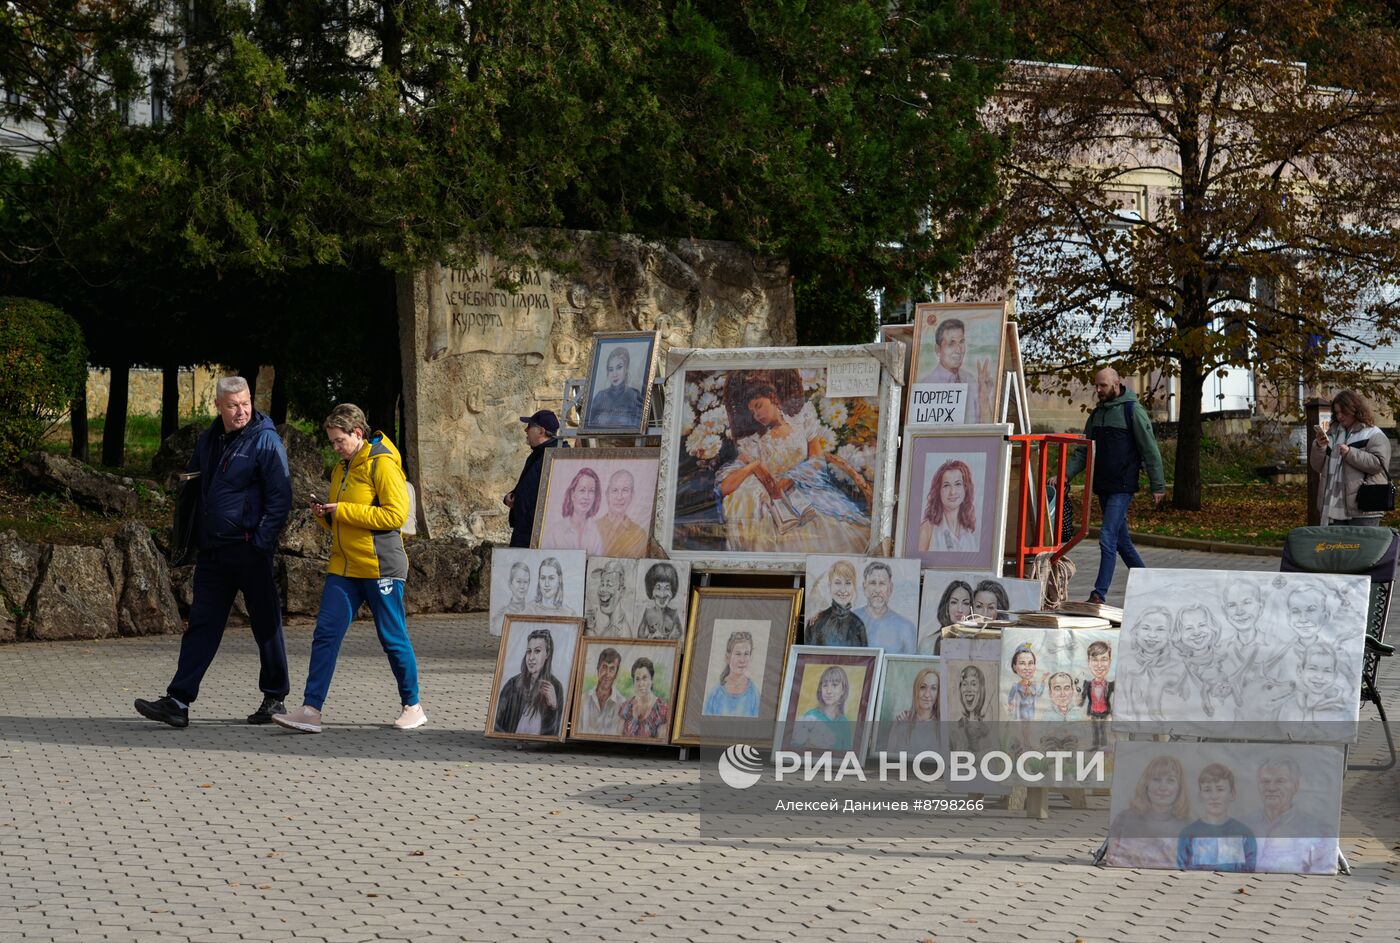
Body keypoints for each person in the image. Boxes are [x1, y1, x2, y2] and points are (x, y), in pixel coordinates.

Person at [135, 376, 292, 729]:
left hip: (250, 548)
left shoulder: (265, 440)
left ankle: (275, 697)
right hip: (214, 551)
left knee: (266, 624)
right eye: (233, 405)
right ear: (219, 406)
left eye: (246, 403)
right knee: (202, 625)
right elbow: (196, 488)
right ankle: (178, 700)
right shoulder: (210, 439)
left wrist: (261, 543)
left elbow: (280, 498)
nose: (241, 411)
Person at [272, 404, 425, 734]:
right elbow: (341, 523)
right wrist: (323, 515)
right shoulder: (342, 468)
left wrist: (342, 510)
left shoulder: (382, 464)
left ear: (358, 434)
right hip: (344, 566)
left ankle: (412, 705)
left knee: (392, 637)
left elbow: (394, 517)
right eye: (331, 442)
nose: (335, 448)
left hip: (381, 565)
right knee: (325, 635)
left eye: (339, 441)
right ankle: (311, 710)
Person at [717, 375, 872, 553]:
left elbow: (817, 460)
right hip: (776, 495)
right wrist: (755, 468)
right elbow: (726, 486)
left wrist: (791, 479)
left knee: (830, 526)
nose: (757, 415)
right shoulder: (755, 441)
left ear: (772, 398)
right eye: (752, 412)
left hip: (806, 486)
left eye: (759, 405)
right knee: (774, 526)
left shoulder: (802, 420)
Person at [1063, 367, 1166, 604]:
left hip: (1123, 485)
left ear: (1117, 384)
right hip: (1103, 485)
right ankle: (1153, 585)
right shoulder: (1097, 415)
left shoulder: (1132, 411)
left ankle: (1099, 594)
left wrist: (1157, 485)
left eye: (1103, 386)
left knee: (1107, 537)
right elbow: (1083, 451)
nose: (1098, 390)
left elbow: (1150, 450)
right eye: (1096, 386)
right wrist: (1066, 475)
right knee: (1122, 542)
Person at [1310, 389, 1392, 526]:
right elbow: (1317, 466)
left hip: (1364, 507)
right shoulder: (1332, 434)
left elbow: (1379, 464)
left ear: (1355, 409)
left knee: (1363, 547)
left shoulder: (1373, 434)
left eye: (1343, 412)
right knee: (1335, 547)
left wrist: (1350, 454)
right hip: (1332, 508)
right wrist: (1320, 447)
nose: (1340, 416)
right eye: (1337, 413)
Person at [1250, 756, 1336, 873]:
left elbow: (1323, 871)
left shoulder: (1319, 831)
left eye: (1280, 781)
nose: (1271, 788)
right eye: (1265, 781)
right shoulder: (1243, 826)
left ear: (1295, 786)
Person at [1106, 755, 1192, 869]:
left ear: (1179, 787)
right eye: (1156, 779)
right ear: (1146, 784)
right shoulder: (1125, 819)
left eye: (1170, 780)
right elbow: (1113, 857)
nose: (1163, 787)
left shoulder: (1189, 826)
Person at [1177, 764, 1257, 872]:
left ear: (1232, 794)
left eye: (1220, 789)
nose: (1214, 796)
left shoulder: (1244, 834)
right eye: (1207, 790)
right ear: (1200, 795)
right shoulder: (1189, 834)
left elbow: (1250, 871)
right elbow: (1181, 870)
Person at [493, 628, 565, 736]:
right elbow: (496, 725)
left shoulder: (555, 687)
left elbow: (555, 733)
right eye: (528, 651)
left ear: (547, 654)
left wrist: (553, 707)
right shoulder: (513, 684)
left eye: (537, 651)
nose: (531, 657)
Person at [504, 410, 561, 548]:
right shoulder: (538, 454)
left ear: (541, 431)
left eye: (529, 427)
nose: (525, 430)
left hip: (537, 535)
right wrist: (513, 496)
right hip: (526, 530)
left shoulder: (558, 457)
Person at [924, 318, 991, 422]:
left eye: (961, 342)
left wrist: (984, 398)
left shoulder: (970, 380)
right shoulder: (927, 385)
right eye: (951, 343)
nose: (958, 349)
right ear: (938, 350)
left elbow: (986, 431)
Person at [854, 562, 916, 654]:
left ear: (890, 588)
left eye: (882, 583)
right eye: (872, 583)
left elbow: (908, 666)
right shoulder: (851, 621)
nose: (877, 590)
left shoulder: (906, 628)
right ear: (864, 587)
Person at [541, 467, 605, 553]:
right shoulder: (555, 532)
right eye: (582, 490)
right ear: (572, 494)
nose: (586, 497)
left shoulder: (596, 533)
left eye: (591, 491)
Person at [919, 459, 978, 553]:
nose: (953, 492)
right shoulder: (927, 529)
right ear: (938, 491)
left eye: (958, 484)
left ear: (965, 489)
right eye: (946, 485)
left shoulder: (969, 532)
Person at [792, 666, 853, 753]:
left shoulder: (844, 722)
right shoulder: (810, 716)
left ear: (843, 690)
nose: (828, 691)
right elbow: (794, 748)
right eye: (825, 685)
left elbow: (847, 755)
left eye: (834, 685)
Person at [807, 559, 867, 646]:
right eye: (838, 583)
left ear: (854, 587)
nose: (843, 590)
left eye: (848, 583)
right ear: (830, 586)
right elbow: (808, 656)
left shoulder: (858, 625)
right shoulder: (816, 622)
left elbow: (865, 658)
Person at [703, 631, 760, 717]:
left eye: (746, 654)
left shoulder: (755, 695)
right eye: (738, 654)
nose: (742, 660)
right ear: (727, 657)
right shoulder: (715, 695)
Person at [886, 667, 942, 756]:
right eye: (923, 687)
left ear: (938, 693)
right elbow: (890, 759)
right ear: (916, 690)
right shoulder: (902, 720)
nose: (927, 694)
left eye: (933, 688)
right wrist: (903, 731)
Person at [588, 346, 646, 429]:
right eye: (611, 369)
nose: (614, 374)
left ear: (626, 368)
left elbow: (637, 424)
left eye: (619, 367)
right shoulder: (600, 396)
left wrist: (609, 419)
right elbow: (589, 425)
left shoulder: (634, 395)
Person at [596, 469, 649, 557]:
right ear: (607, 494)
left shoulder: (639, 534)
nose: (619, 497)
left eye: (625, 490)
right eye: (615, 490)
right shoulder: (593, 528)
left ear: (632, 495)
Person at [576, 647, 625, 736]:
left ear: (616, 674)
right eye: (604, 667)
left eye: (612, 669)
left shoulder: (622, 704)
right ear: (598, 668)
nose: (607, 674)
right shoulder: (582, 700)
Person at [920, 579, 974, 655]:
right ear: (946, 606)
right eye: (954, 602)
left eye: (965, 603)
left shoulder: (980, 643)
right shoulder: (928, 644)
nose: (960, 609)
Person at [619, 657, 669, 739]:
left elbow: (661, 743)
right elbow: (618, 738)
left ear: (652, 679)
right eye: (637, 679)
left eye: (645, 678)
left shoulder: (661, 709)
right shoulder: (626, 707)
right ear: (633, 682)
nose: (641, 683)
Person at [1077, 639, 1114, 750]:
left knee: (1103, 729)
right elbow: (1081, 700)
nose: (1099, 665)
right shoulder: (1087, 684)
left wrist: (1111, 714)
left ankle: (1104, 745)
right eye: (1094, 660)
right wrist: (1079, 700)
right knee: (1094, 729)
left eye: (1104, 659)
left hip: (1105, 713)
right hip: (1093, 713)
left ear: (1110, 662)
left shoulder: (1111, 685)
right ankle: (1095, 745)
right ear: (1088, 662)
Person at [637, 562, 683, 640]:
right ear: (651, 590)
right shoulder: (648, 612)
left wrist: (670, 639)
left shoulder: (674, 614)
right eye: (658, 588)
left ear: (672, 591)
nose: (662, 594)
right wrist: (650, 637)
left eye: (667, 588)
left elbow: (679, 632)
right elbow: (640, 633)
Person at [585, 559, 631, 635]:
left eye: (609, 585)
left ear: (622, 591)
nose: (602, 589)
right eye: (602, 584)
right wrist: (590, 627)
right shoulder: (612, 625)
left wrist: (589, 630)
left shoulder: (620, 631)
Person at [491, 561, 532, 636]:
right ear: (510, 584)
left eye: (525, 582)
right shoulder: (501, 616)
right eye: (518, 581)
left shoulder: (533, 611)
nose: (522, 586)